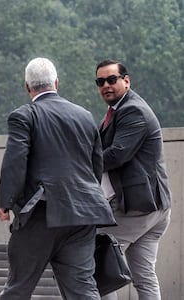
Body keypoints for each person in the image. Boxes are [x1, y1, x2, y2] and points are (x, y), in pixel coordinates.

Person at [0, 57, 116, 300]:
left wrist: (6, 202)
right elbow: (96, 164)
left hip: (43, 213)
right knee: (82, 289)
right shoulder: (84, 115)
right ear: (57, 83)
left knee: (18, 287)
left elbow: (15, 161)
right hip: (83, 215)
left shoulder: (24, 116)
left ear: (27, 87)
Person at [95, 59, 172, 300]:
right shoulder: (117, 111)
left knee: (98, 266)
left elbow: (118, 154)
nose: (106, 85)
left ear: (126, 81)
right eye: (100, 81)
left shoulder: (132, 110)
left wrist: (82, 167)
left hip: (139, 208)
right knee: (144, 277)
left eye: (112, 79)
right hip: (153, 208)